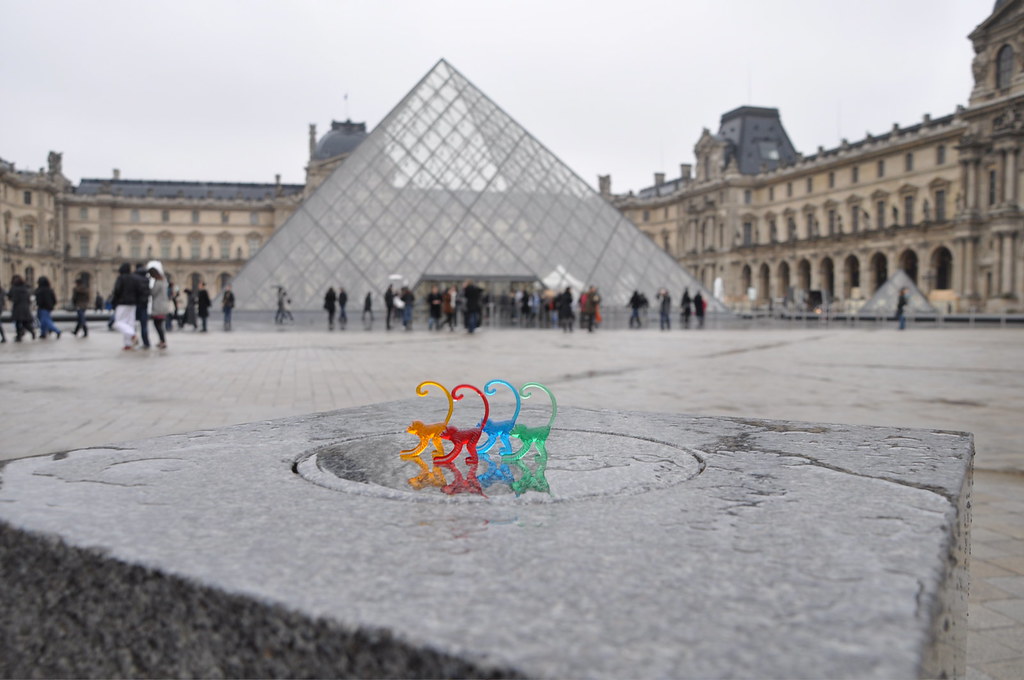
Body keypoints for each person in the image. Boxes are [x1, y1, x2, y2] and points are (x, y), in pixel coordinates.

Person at [111, 263, 140, 350]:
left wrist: (114, 301)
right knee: (129, 323)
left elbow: (117, 290)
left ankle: (133, 335)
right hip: (133, 304)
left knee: (118, 323)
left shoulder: (121, 278)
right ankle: (128, 344)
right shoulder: (134, 278)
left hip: (122, 303)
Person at [146, 261, 169, 349]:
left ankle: (163, 341)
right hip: (163, 305)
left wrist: (149, 289)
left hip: (158, 306)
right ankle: (162, 341)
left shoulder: (158, 282)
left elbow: (153, 292)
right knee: (159, 325)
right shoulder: (163, 281)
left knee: (157, 325)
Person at [8, 275, 35, 341]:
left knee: (17, 322)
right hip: (25, 307)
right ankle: (32, 331)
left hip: (17, 307)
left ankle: (19, 336)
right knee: (25, 322)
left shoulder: (14, 288)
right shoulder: (25, 287)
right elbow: (29, 298)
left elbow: (11, 297)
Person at [132, 264, 151, 348]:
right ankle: (146, 342)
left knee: (132, 324)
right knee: (144, 324)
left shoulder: (134, 278)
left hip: (135, 304)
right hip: (144, 304)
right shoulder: (147, 278)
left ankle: (133, 339)